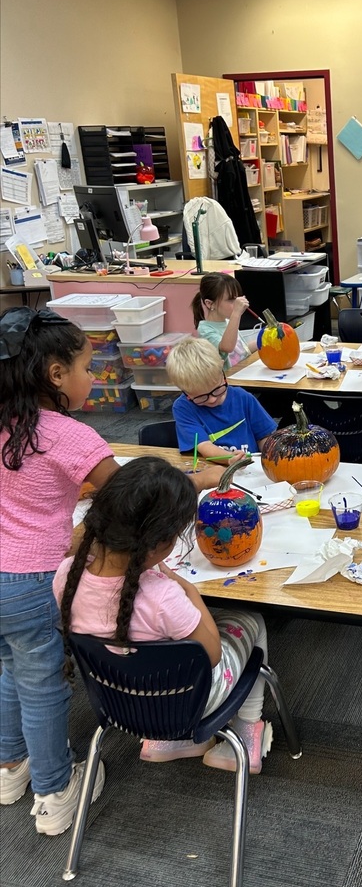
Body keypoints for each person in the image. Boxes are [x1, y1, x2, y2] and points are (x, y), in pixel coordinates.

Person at [0, 310, 231, 834]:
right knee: (41, 685)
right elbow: (134, 494)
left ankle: (9, 766)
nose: (97, 377)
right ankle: (55, 790)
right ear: (55, 375)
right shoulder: (70, 436)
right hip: (30, 576)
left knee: (9, 668)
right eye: (87, 367)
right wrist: (197, 477)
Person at [55, 458, 273, 773]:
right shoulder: (163, 597)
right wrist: (189, 592)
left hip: (118, 702)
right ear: (159, 545)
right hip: (185, 704)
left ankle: (172, 742)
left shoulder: (66, 575)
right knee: (251, 618)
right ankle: (246, 729)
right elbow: (211, 654)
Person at [166, 335, 276, 461]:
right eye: (201, 397)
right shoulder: (183, 408)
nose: (212, 400)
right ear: (185, 392)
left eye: (217, 389)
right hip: (214, 471)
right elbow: (204, 446)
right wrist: (229, 459)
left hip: (250, 469)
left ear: (222, 369)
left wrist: (270, 455)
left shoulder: (243, 398)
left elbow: (264, 437)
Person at [192, 271, 257, 369]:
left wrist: (263, 339)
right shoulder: (205, 330)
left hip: (243, 372)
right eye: (231, 300)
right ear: (210, 304)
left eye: (237, 298)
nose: (237, 303)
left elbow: (242, 352)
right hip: (229, 381)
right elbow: (227, 347)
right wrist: (236, 313)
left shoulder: (227, 322)